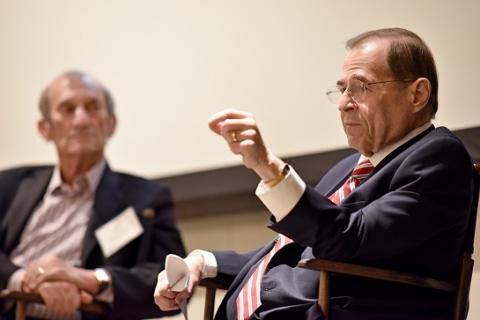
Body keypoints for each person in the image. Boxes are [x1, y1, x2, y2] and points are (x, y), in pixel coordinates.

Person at [154, 28, 477, 319]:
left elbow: (350, 239)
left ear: (417, 94)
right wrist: (201, 261)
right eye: (342, 89)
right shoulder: (347, 167)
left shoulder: (438, 157)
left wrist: (268, 167)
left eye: (360, 87)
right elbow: (286, 251)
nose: (343, 104)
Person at [0, 71, 186, 320]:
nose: (81, 120)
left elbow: (175, 282)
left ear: (111, 123)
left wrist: (91, 280)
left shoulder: (147, 198)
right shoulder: (10, 184)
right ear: (45, 128)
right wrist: (24, 280)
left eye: (92, 107)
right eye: (67, 109)